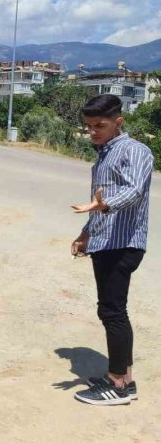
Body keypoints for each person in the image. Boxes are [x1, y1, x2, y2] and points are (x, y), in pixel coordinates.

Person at [71, 94, 153, 406]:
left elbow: (134, 190)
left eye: (99, 125)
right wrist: (85, 233)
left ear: (118, 122)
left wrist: (106, 204)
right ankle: (123, 379)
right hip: (105, 241)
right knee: (109, 309)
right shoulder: (105, 153)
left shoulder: (135, 150)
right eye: (89, 126)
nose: (93, 131)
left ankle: (117, 385)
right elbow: (98, 201)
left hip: (124, 243)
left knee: (113, 311)